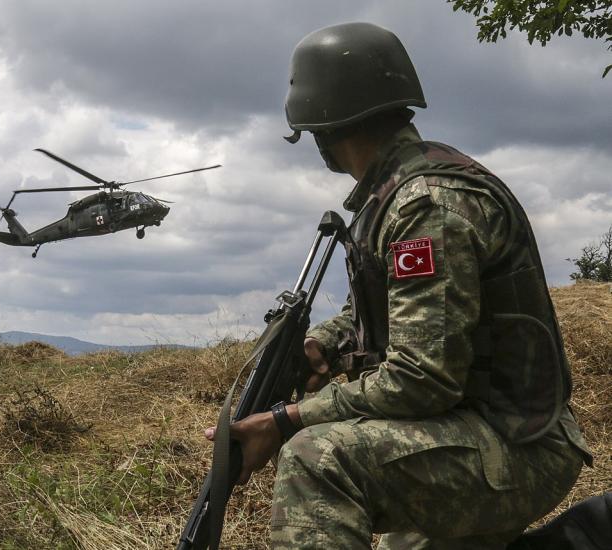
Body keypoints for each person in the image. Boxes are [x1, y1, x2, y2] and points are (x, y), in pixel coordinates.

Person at [205, 22, 592, 549]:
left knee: (318, 460)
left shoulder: (424, 205)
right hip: (468, 433)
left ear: (325, 123)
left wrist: (286, 420)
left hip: (514, 443)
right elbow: (378, 313)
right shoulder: (393, 195)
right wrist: (325, 343)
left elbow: (421, 379)